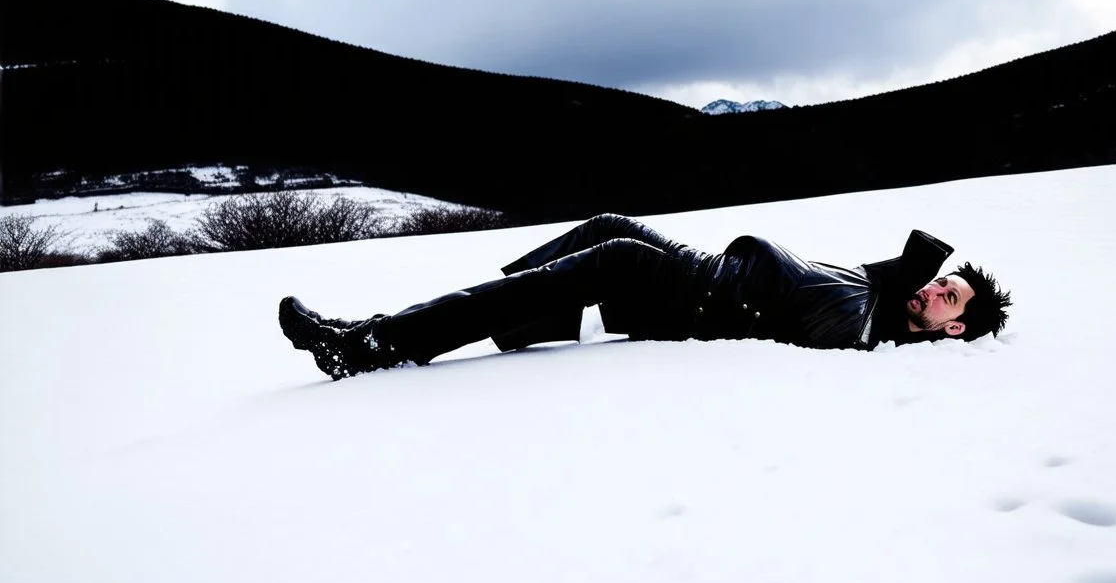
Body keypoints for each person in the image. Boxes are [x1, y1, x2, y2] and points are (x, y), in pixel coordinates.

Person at [278, 213, 1012, 380]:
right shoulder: (882, 295)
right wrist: (923, 268)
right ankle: (514, 314)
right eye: (943, 284)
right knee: (604, 225)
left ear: (952, 332)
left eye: (949, 298)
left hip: (699, 297)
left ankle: (370, 346)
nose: (935, 288)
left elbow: (798, 332)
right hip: (706, 268)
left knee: (614, 254)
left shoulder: (865, 326)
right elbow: (900, 266)